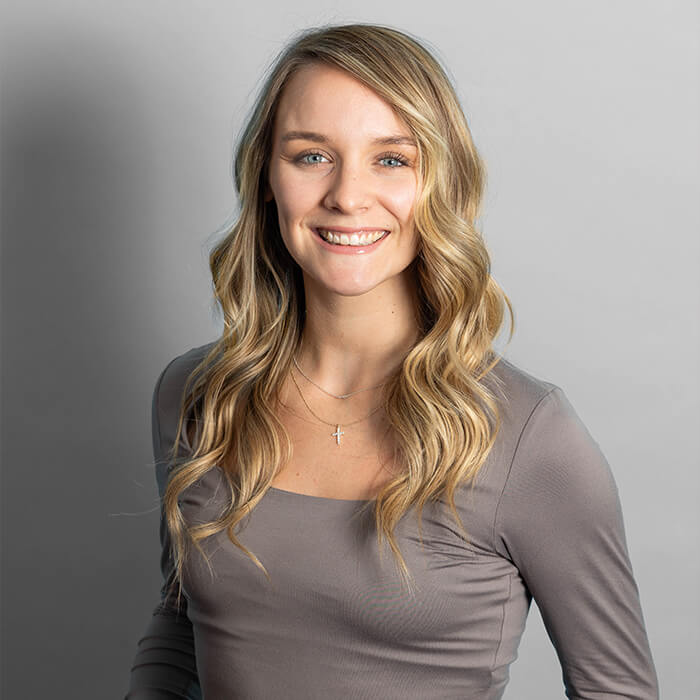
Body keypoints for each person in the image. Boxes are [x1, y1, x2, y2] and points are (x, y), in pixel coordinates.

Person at [125, 22, 658, 700]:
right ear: (267, 177)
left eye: (391, 159)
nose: (347, 196)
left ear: (439, 181)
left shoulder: (529, 437)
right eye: (312, 156)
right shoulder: (197, 395)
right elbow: (181, 629)